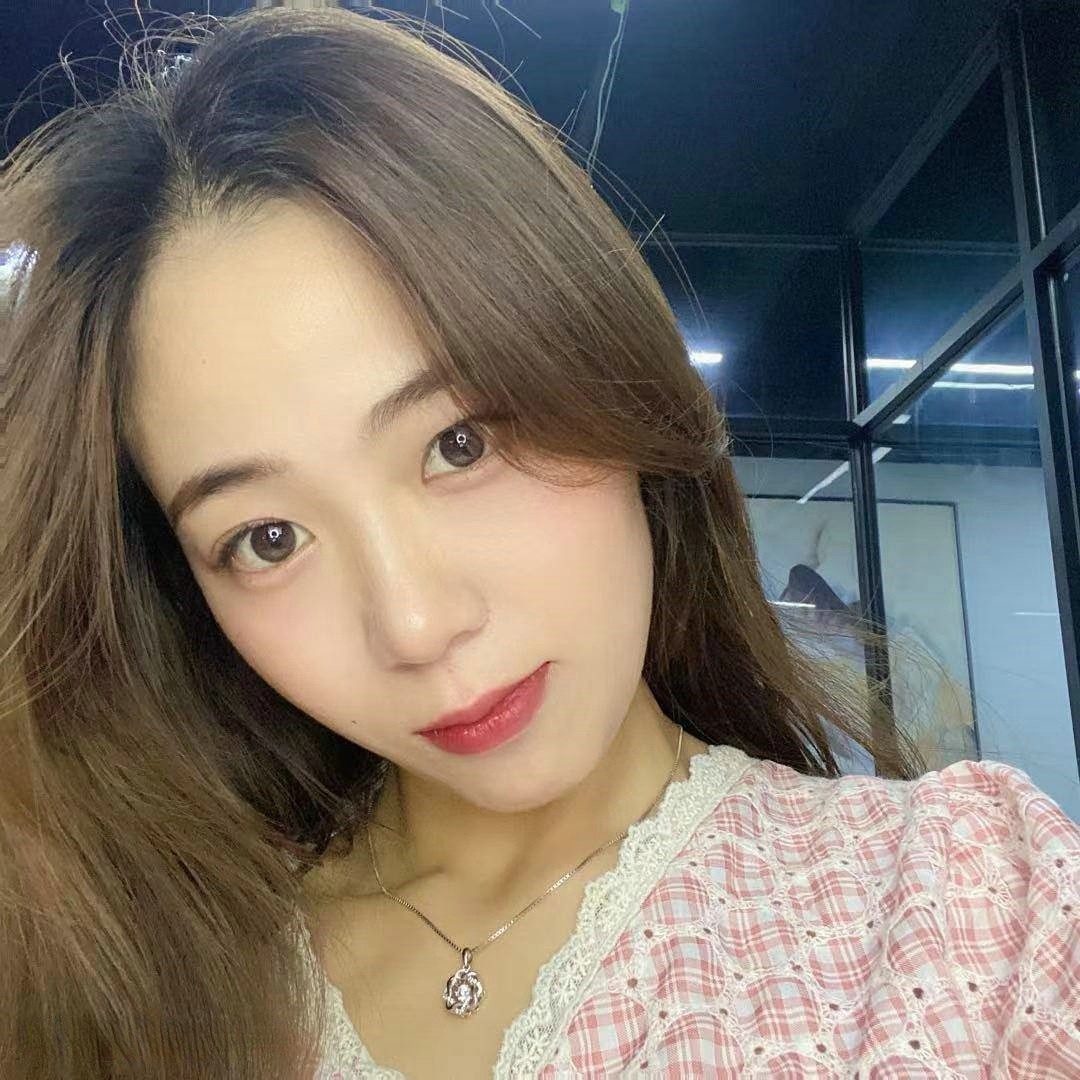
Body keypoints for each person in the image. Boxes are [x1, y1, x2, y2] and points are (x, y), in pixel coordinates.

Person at [1, 8, 1077, 1079]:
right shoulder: (139, 982)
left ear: (608, 374)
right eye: (267, 537)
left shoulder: (969, 911)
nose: (416, 626)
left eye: (459, 443)